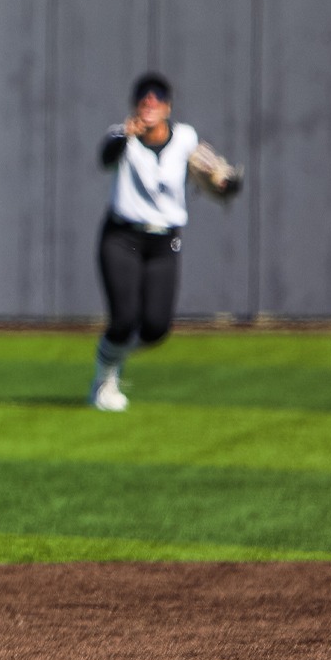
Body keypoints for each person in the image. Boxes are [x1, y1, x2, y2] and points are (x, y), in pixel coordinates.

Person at [90, 71, 239, 412]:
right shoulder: (121, 135)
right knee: (123, 319)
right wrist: (125, 135)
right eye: (144, 99)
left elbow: (211, 170)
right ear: (135, 106)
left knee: (156, 328)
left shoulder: (184, 138)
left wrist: (224, 182)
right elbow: (106, 158)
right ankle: (104, 378)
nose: (150, 104)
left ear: (168, 107)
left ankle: (113, 359)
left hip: (163, 241)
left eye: (157, 99)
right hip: (123, 236)